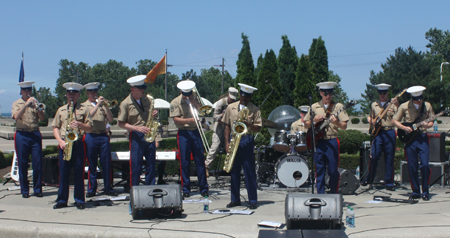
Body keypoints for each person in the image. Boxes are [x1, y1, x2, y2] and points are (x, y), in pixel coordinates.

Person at [52, 82, 93, 209]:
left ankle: (79, 199)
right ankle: (62, 200)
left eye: (74, 93)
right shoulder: (61, 110)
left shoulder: (84, 109)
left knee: (79, 173)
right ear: (66, 95)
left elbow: (90, 128)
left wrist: (79, 125)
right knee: (63, 173)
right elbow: (55, 127)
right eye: (69, 93)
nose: (71, 96)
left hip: (78, 143)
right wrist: (60, 141)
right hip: (65, 143)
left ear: (78, 95)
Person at [304, 82, 349, 194]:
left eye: (330, 93)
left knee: (333, 170)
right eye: (325, 93)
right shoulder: (314, 107)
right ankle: (320, 194)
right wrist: (314, 121)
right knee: (319, 170)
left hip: (332, 140)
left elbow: (344, 126)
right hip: (318, 142)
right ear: (320, 93)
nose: (328, 96)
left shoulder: (338, 106)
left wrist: (337, 122)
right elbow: (306, 124)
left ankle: (334, 193)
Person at [222, 83, 261, 209]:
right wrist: (227, 142)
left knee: (249, 171)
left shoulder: (255, 109)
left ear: (250, 97)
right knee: (234, 171)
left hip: (246, 139)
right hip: (234, 138)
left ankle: (253, 200)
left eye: (247, 97)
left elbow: (258, 129)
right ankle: (235, 199)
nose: (245, 99)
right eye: (243, 96)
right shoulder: (230, 107)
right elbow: (227, 125)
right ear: (240, 95)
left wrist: (248, 124)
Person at [118, 75, 161, 188]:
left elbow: (151, 117)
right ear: (132, 89)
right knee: (136, 165)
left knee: (151, 164)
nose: (143, 91)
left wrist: (154, 115)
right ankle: (135, 189)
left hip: (148, 133)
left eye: (143, 88)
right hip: (136, 134)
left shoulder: (147, 99)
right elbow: (121, 123)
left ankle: (151, 188)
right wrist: (137, 128)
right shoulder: (125, 103)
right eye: (140, 89)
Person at [392, 86, 434, 201]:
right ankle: (415, 190)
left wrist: (428, 125)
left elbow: (431, 121)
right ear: (412, 97)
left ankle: (425, 190)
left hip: (422, 136)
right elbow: (394, 120)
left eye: (420, 98)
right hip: (410, 139)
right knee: (412, 166)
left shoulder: (427, 105)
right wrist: (404, 128)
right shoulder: (404, 106)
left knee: (425, 165)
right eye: (416, 99)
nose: (419, 101)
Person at [170, 80, 209, 198]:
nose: (188, 96)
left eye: (190, 93)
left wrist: (196, 104)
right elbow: (176, 119)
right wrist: (189, 121)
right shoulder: (175, 102)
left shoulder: (196, 99)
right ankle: (185, 188)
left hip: (196, 131)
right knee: (184, 162)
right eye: (186, 94)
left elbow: (205, 112)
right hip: (183, 132)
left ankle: (204, 188)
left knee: (200, 161)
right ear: (181, 92)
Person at [83, 82, 117, 197]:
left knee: (106, 163)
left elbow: (111, 119)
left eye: (95, 92)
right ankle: (92, 188)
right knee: (92, 164)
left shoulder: (103, 106)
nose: (94, 94)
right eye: (92, 92)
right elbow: (88, 117)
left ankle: (108, 187)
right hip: (91, 135)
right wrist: (97, 105)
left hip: (102, 136)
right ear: (87, 93)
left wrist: (106, 106)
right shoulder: (84, 105)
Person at [362, 83, 399, 191]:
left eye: (384, 93)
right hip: (378, 132)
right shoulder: (374, 104)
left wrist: (397, 104)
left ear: (387, 93)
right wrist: (370, 120)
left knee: (389, 158)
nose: (382, 95)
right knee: (374, 156)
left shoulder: (392, 104)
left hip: (389, 131)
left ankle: (389, 182)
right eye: (380, 93)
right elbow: (370, 116)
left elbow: (398, 116)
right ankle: (370, 179)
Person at [12, 81, 45, 198]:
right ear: (21, 92)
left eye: (29, 90)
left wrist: (38, 107)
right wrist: (26, 105)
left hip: (34, 134)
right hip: (22, 134)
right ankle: (25, 190)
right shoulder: (17, 103)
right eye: (25, 91)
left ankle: (37, 189)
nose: (28, 92)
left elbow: (42, 118)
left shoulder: (35, 103)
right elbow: (16, 116)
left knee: (37, 163)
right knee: (23, 162)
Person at [204, 87, 238, 176]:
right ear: (228, 95)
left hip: (230, 128)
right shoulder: (221, 103)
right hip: (220, 127)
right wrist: (223, 115)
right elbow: (215, 117)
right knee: (215, 147)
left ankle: (232, 167)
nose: (232, 100)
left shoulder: (236, 104)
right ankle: (206, 166)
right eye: (231, 98)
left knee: (232, 147)